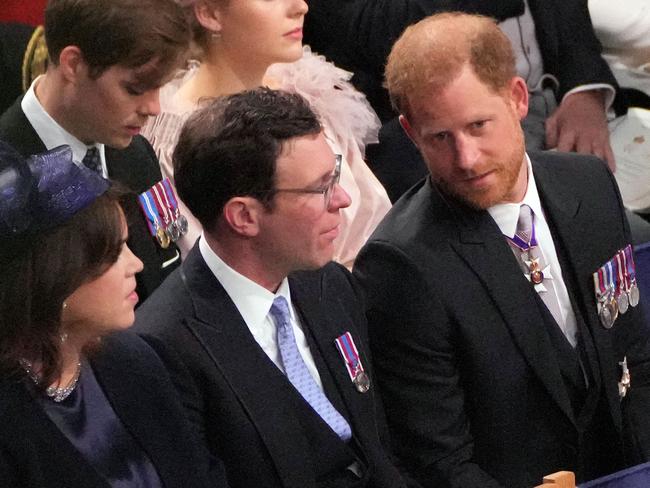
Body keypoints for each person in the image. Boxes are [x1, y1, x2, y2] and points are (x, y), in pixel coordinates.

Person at [353, 12, 650, 488]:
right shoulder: (400, 267)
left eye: (478, 125)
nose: (466, 159)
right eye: (440, 138)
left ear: (517, 97)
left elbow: (634, 353)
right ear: (410, 133)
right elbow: (440, 463)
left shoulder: (589, 186)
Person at [135, 88, 409, 488]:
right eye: (321, 188)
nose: (344, 200)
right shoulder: (161, 350)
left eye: (334, 175)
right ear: (244, 216)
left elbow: (378, 450)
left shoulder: (330, 285)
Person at [0, 142, 226, 487]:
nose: (136, 264)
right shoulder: (11, 418)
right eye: (115, 253)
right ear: (58, 277)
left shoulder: (137, 361)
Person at [142, 0, 390, 268]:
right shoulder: (172, 148)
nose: (300, 7)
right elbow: (201, 265)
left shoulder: (310, 95)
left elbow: (373, 218)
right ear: (210, 13)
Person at [0, 0, 190, 302]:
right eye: (135, 88)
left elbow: (168, 251)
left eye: (160, 87)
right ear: (73, 64)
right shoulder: (7, 179)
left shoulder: (139, 153)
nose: (154, 108)